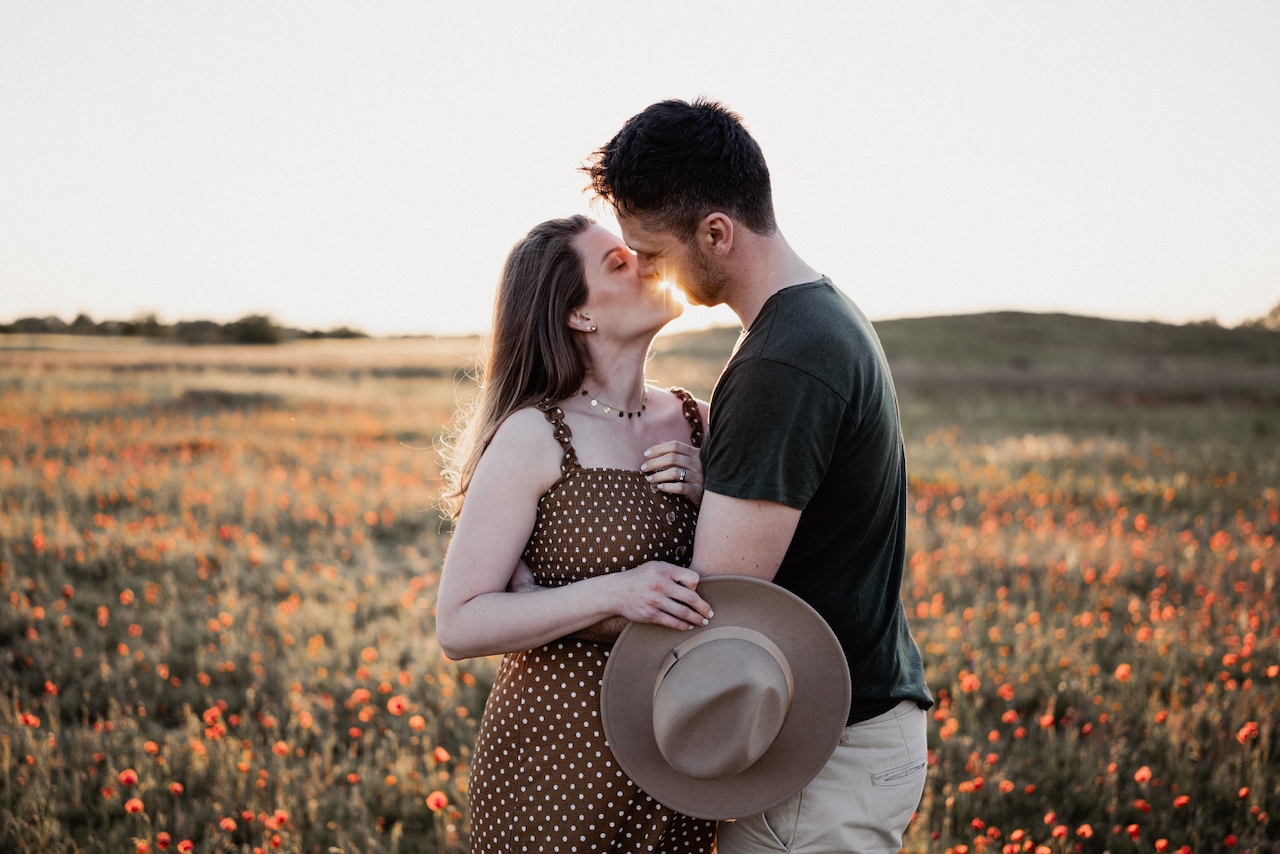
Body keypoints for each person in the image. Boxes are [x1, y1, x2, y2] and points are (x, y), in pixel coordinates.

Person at [584, 98, 934, 853]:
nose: (642, 271)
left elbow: (714, 606)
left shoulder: (784, 358)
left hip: (825, 763)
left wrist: (547, 604)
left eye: (651, 251)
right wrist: (722, 483)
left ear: (716, 232)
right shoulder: (821, 315)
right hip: (843, 736)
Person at [434, 214, 718, 853]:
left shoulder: (700, 421)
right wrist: (615, 593)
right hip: (558, 765)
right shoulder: (535, 436)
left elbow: (745, 581)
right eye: (619, 264)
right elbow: (458, 623)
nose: (647, 263)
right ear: (578, 316)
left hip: (682, 756)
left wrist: (714, 491)